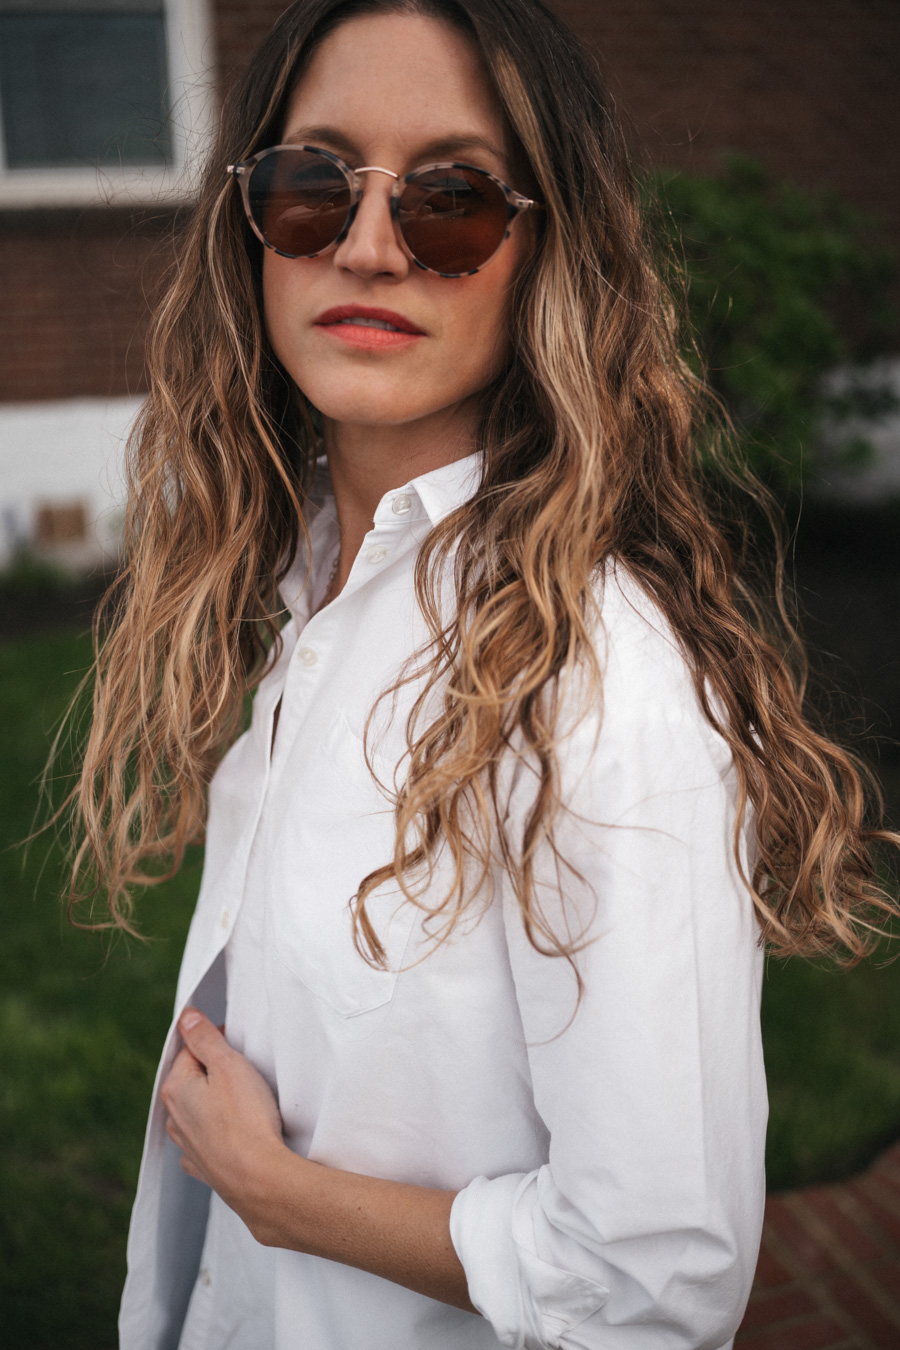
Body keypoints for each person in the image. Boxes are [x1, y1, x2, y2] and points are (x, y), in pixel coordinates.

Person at [63, 1, 898, 1347]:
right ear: (251, 229)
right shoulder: (322, 590)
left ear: (546, 253)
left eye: (451, 199)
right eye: (310, 185)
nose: (371, 244)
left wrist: (280, 1192)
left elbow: (657, 1274)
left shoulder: (595, 683)